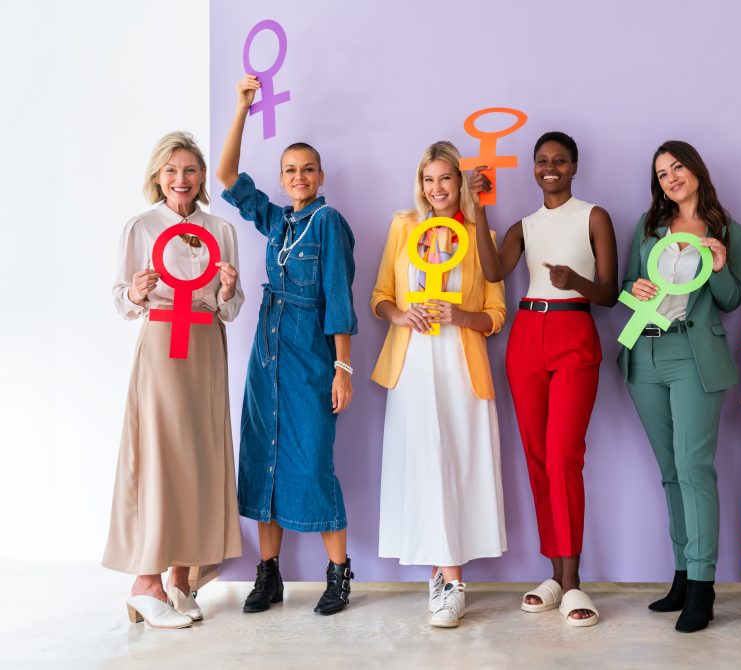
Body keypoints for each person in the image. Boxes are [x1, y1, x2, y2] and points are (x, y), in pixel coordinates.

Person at [217, 74, 358, 616]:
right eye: (289, 171)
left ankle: (339, 575)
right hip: (265, 357)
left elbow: (338, 301)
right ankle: (269, 575)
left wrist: (342, 368)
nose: (298, 177)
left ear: (320, 176)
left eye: (307, 170)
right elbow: (227, 175)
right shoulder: (276, 221)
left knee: (312, 464)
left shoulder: (328, 223)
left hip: (311, 358)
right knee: (263, 460)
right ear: (282, 179)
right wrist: (242, 108)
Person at [471, 131, 618, 627]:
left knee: (562, 456)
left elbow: (610, 293)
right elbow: (494, 271)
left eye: (559, 161)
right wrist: (479, 209)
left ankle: (575, 582)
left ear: (575, 167)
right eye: (541, 161)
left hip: (575, 329)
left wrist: (573, 281)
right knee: (537, 457)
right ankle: (554, 576)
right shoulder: (523, 225)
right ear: (533, 169)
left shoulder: (594, 216)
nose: (549, 168)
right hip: (528, 335)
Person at [105, 131, 244, 629]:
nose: (181, 179)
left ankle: (182, 579)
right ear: (157, 177)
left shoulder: (220, 229)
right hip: (163, 344)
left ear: (202, 176)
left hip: (206, 344)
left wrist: (227, 289)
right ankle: (146, 582)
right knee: (160, 453)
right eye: (171, 171)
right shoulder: (141, 227)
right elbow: (121, 300)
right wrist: (138, 292)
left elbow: (231, 306)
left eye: (189, 170)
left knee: (199, 455)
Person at [371, 141, 507, 628]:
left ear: (459, 182)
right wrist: (402, 314)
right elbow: (380, 296)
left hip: (460, 365)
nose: (436, 189)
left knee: (455, 462)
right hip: (411, 364)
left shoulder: (478, 233)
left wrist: (462, 314)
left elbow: (496, 315)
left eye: (445, 179)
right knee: (424, 463)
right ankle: (443, 578)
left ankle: (451, 580)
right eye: (428, 180)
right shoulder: (403, 226)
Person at [618, 141, 741, 632]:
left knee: (695, 468)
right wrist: (636, 290)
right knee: (670, 471)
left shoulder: (728, 231)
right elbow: (629, 285)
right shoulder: (649, 228)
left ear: (695, 170)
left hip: (694, 358)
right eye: (661, 173)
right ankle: (680, 576)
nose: (671, 177)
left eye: (677, 167)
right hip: (644, 352)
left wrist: (716, 266)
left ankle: (703, 587)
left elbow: (732, 299)